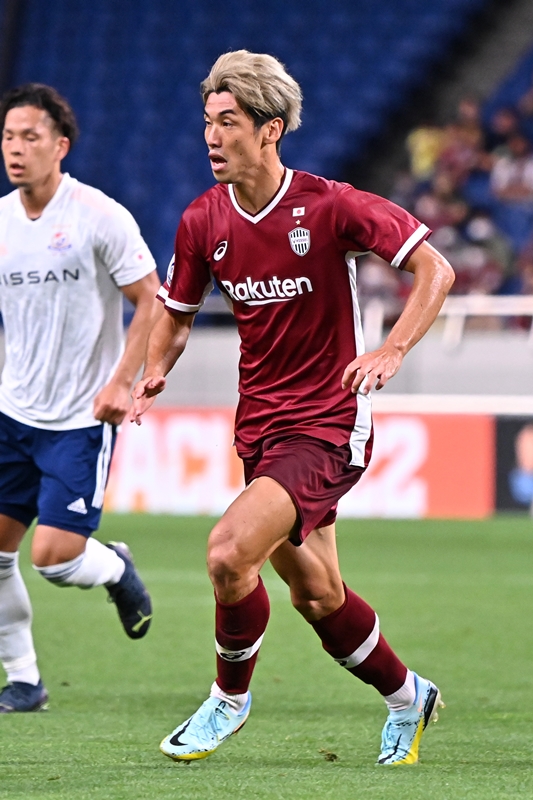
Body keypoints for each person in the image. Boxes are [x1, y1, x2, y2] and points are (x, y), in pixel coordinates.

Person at [132, 51, 455, 766]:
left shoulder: (330, 205)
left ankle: (227, 699)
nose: (212, 136)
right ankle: (409, 696)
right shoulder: (202, 219)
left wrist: (393, 349)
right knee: (317, 594)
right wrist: (154, 371)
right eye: (207, 121)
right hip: (261, 429)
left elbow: (434, 267)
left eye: (228, 122)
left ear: (270, 128)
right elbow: (177, 313)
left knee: (227, 553)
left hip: (328, 423)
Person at [0, 84, 160, 713]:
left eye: (30, 136)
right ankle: (24, 680)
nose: (16, 148)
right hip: (12, 411)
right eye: (8, 136)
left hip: (78, 418)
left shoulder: (98, 214)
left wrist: (122, 380)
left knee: (54, 559)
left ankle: (115, 567)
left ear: (60, 146)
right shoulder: (1, 222)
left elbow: (150, 298)